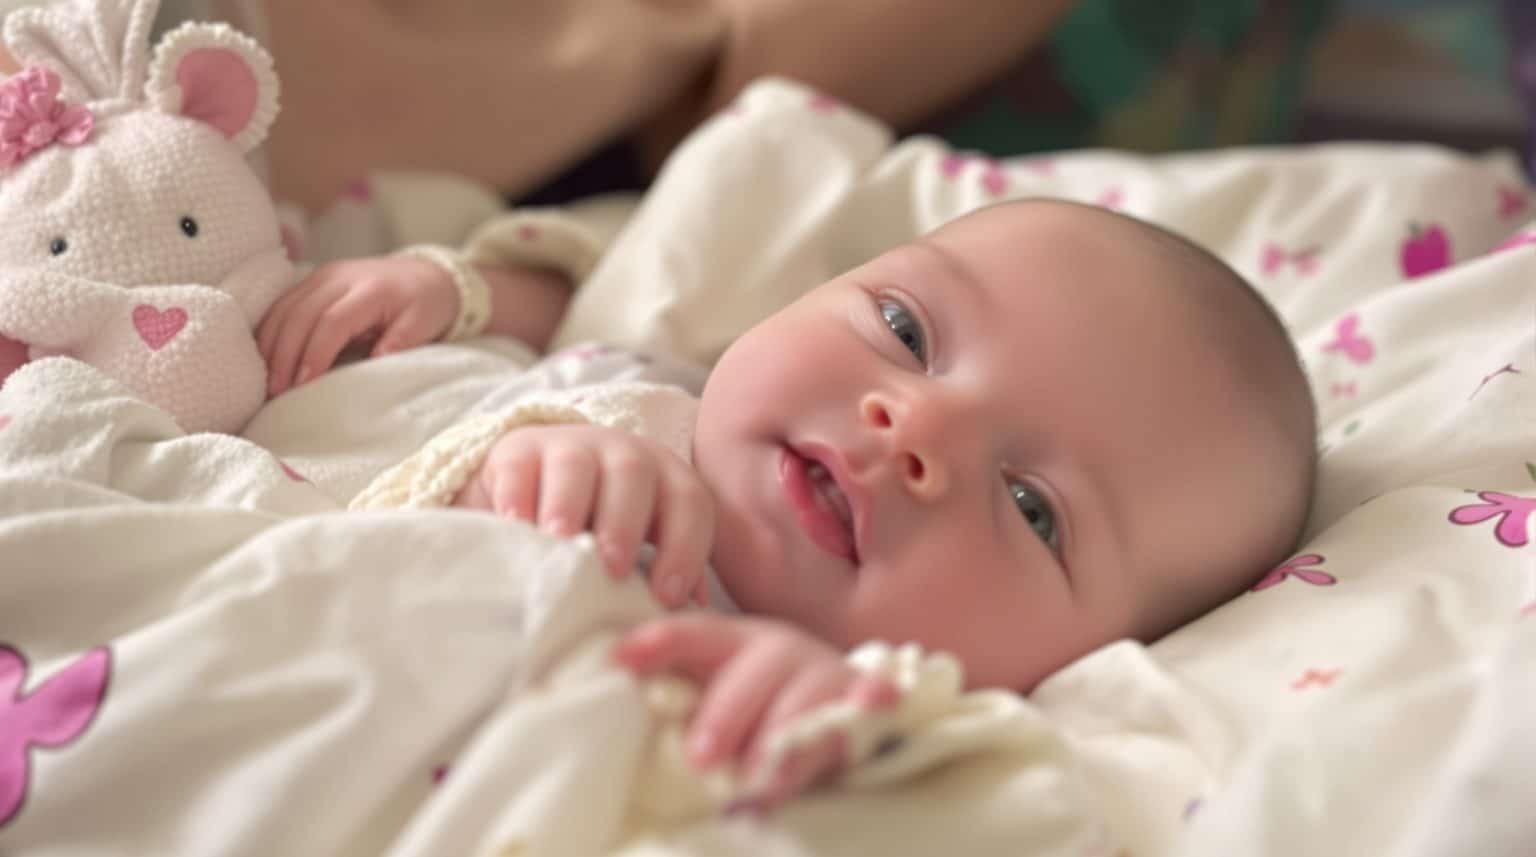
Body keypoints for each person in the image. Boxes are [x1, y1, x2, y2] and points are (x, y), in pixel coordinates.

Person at [259, 196, 1317, 809]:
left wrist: (857, 756)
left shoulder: (921, 738)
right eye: (905, 331)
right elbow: (558, 315)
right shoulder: (646, 382)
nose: (915, 428)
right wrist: (455, 303)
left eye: (1033, 508)